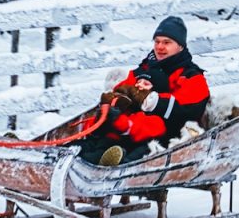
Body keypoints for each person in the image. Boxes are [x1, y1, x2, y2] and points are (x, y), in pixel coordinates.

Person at [78, 16, 211, 166]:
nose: (160, 47)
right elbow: (123, 88)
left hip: (165, 136)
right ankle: (80, 155)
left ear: (180, 46)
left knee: (137, 153)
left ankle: (114, 166)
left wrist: (151, 100)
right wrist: (115, 99)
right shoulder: (146, 68)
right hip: (134, 129)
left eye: (167, 42)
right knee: (103, 137)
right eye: (157, 42)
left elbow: (185, 111)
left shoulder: (191, 76)